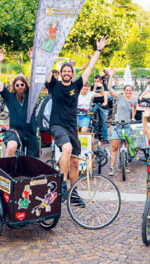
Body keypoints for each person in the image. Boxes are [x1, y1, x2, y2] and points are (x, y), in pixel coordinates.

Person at [45, 36, 109, 202]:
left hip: (72, 127)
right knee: (66, 149)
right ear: (60, 74)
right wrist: (43, 52)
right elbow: (44, 68)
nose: (66, 73)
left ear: (72, 73)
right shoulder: (54, 85)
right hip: (57, 125)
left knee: (74, 163)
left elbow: (90, 68)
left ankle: (73, 193)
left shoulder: (76, 85)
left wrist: (98, 50)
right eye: (64, 71)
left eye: (69, 71)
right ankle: (62, 183)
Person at [0, 49, 40, 159]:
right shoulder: (10, 97)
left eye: (22, 84)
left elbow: (36, 78)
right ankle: (7, 172)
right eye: (17, 85)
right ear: (14, 86)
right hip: (15, 131)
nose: (20, 87)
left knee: (33, 162)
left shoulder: (31, 95)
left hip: (30, 133)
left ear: (26, 85)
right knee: (11, 147)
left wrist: (33, 60)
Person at [107, 68, 137, 175]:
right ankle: (111, 167)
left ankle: (122, 165)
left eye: (130, 90)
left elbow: (134, 108)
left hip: (127, 126)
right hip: (118, 125)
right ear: (124, 91)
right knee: (115, 147)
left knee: (126, 146)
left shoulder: (133, 100)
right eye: (127, 90)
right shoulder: (119, 97)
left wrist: (133, 117)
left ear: (131, 91)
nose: (128, 92)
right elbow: (110, 88)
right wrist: (111, 76)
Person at [91, 74, 109, 141]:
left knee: (105, 121)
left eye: (97, 81)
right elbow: (92, 96)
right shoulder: (92, 86)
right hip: (95, 103)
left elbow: (104, 95)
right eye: (95, 81)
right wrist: (95, 87)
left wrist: (101, 88)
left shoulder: (104, 86)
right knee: (90, 117)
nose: (96, 82)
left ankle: (105, 138)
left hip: (102, 104)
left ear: (101, 81)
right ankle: (92, 134)